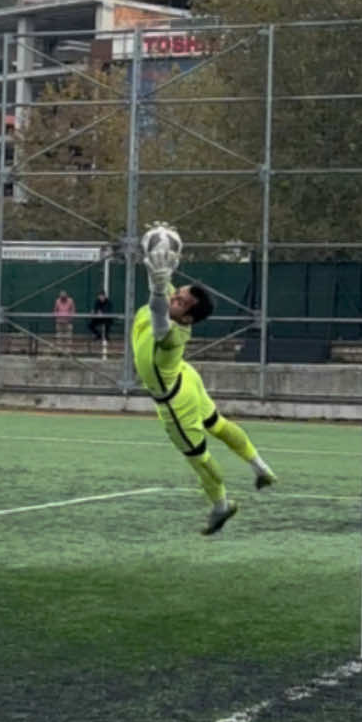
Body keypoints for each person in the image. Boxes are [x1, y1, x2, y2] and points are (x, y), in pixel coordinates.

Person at [132, 223, 276, 534]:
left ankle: (222, 505)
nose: (175, 298)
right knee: (218, 425)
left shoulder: (172, 335)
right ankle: (261, 468)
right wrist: (161, 269)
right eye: (178, 294)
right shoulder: (170, 301)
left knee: (199, 458)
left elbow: (158, 320)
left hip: (174, 401)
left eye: (181, 302)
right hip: (187, 378)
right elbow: (159, 290)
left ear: (186, 319)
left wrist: (158, 288)